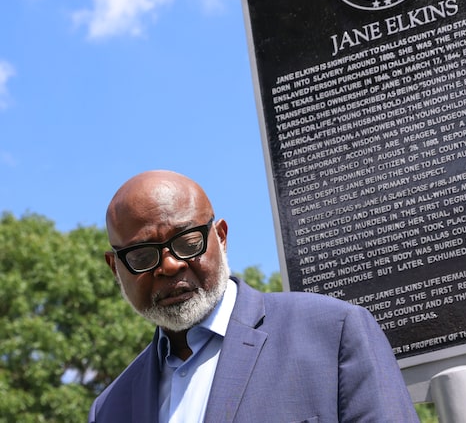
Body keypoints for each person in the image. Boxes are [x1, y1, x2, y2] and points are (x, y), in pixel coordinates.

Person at [89, 170, 419, 422]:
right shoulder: (109, 409)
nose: (170, 265)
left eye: (188, 242)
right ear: (115, 268)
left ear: (220, 237)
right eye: (142, 256)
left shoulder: (334, 333)